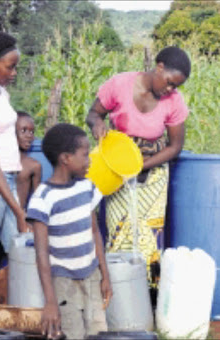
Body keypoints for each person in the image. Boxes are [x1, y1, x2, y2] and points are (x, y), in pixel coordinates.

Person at [86, 46, 191, 286]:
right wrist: (96, 125)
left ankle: (150, 293)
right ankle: (117, 290)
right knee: (118, 231)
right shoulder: (119, 85)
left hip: (153, 174)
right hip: (116, 168)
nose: (170, 89)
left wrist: (142, 165)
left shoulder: (174, 101)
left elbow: (175, 147)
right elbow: (93, 113)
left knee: (150, 236)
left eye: (176, 86)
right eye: (168, 82)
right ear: (159, 66)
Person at [27, 123, 112, 340]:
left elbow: (95, 233)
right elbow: (41, 253)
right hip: (63, 283)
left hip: (91, 276)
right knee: (73, 334)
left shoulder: (87, 188)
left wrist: (105, 275)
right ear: (66, 158)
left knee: (98, 333)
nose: (89, 160)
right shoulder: (43, 198)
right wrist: (50, 301)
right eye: (85, 154)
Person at [0, 31, 29, 260]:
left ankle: (13, 295)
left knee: (18, 251)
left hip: (9, 178)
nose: (14, 73)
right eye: (9, 66)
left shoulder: (1, 92)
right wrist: (18, 210)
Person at [15, 111, 41, 209]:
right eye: (23, 130)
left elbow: (37, 202)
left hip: (17, 219)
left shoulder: (34, 166)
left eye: (32, 132)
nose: (29, 135)